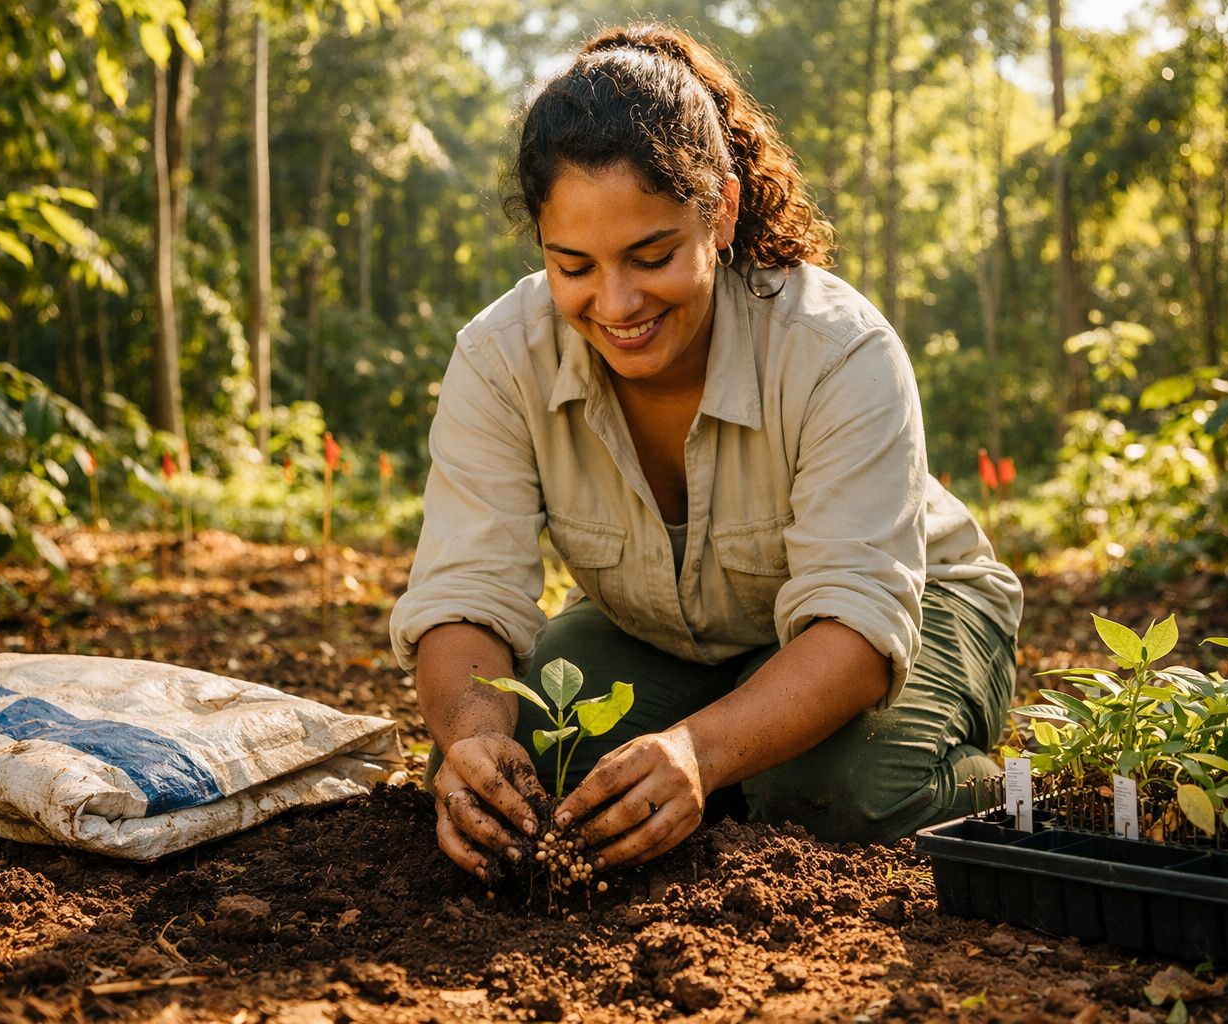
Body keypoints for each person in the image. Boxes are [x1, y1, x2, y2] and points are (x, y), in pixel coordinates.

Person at [389, 23, 1023, 882]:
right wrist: (473, 737)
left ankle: (1033, 789)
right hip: (666, 631)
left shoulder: (835, 349)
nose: (615, 303)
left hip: (913, 607)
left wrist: (703, 749)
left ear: (720, 213)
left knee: (841, 795)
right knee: (515, 771)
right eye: (572, 265)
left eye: (650, 256)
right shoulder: (501, 359)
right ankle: (733, 769)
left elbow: (860, 619)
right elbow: (463, 592)